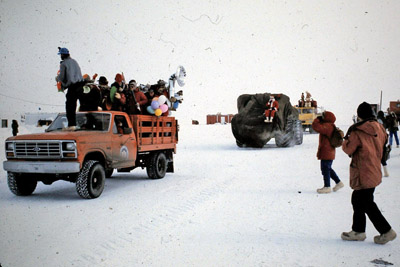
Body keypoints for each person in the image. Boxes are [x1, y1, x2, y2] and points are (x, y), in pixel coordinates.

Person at [341, 102, 396, 244]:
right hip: (374, 170)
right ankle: (358, 231)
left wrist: (344, 140)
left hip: (362, 171)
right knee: (359, 200)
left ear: (359, 115)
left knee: (366, 202)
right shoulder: (380, 127)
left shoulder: (357, 130)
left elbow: (348, 149)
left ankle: (386, 231)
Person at [311, 111, 344, 193]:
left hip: (327, 151)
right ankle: (338, 182)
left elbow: (316, 127)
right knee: (327, 168)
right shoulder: (331, 126)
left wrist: (317, 119)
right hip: (329, 151)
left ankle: (327, 186)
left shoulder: (328, 126)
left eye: (323, 116)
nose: (322, 117)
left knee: (325, 169)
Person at [56, 47, 84, 130]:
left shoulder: (64, 64)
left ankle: (72, 125)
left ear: (63, 55)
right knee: (83, 105)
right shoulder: (74, 61)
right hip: (81, 85)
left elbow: (61, 77)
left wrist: (57, 78)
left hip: (73, 86)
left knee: (70, 106)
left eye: (61, 54)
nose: (60, 56)